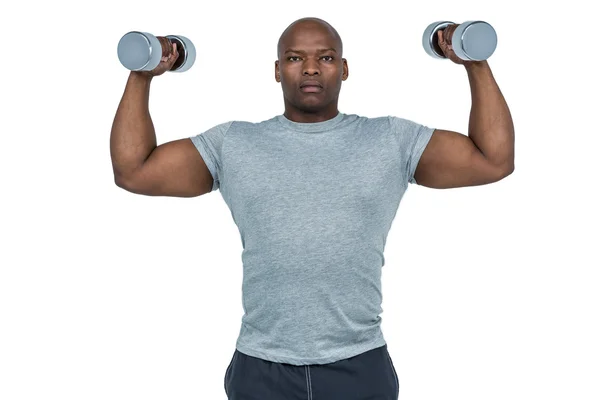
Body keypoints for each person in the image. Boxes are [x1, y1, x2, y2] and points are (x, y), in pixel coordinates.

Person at [110, 16, 514, 400]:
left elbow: (492, 160)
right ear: (276, 70)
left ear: (344, 68)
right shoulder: (234, 144)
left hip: (359, 364)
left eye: (325, 57)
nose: (310, 69)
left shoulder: (390, 140)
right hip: (260, 368)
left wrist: (474, 64)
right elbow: (134, 171)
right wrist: (141, 74)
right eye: (294, 58)